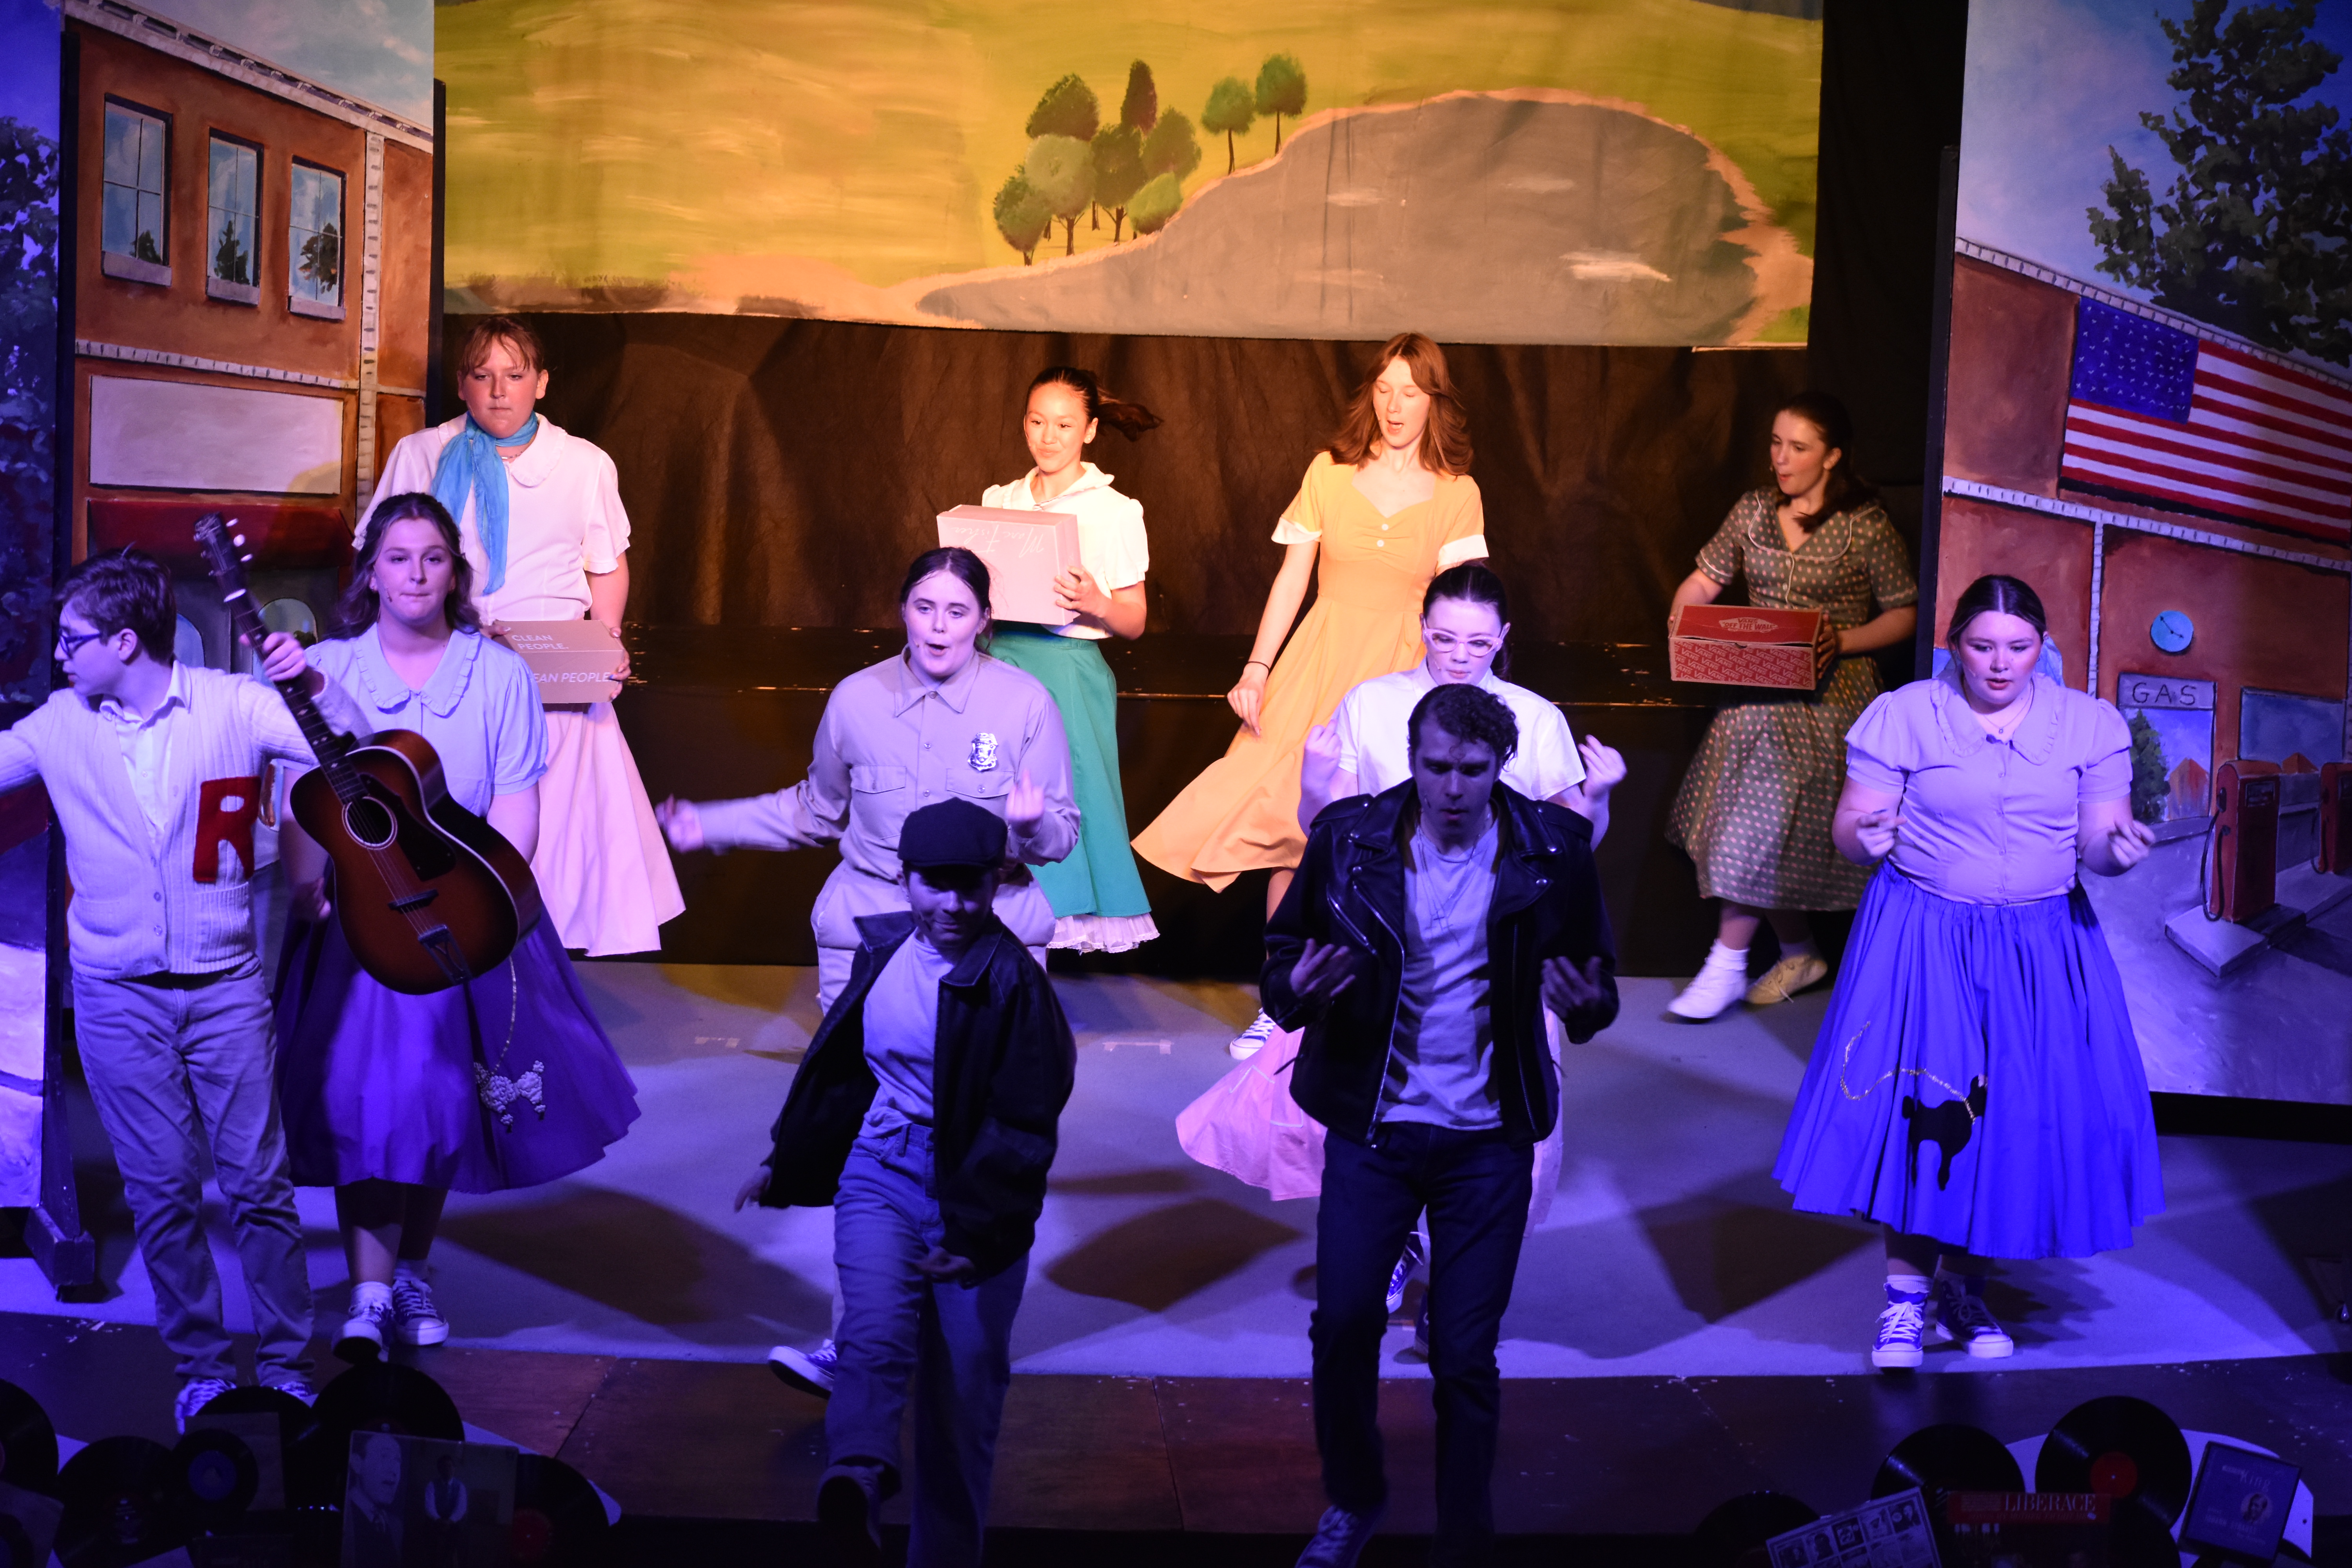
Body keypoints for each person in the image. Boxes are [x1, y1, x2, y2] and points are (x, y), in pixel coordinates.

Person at [657, 546, 1077, 1397]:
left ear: (984, 621)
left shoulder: (1024, 703)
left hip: (984, 936)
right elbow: (817, 810)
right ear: (901, 611)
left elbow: (1060, 835)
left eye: (957, 611)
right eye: (924, 607)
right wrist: (713, 823)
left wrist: (1032, 826)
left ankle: (961, 1344)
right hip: (872, 933)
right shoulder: (856, 699)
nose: (938, 627)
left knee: (974, 1136)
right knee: (871, 1132)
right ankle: (859, 1341)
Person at [1180, 565, 1628, 1337]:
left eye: (1478, 643)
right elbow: (1336, 834)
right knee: (1381, 1112)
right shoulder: (1373, 703)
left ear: (1504, 639)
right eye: (1445, 638)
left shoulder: (1535, 718)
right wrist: (1314, 789)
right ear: (1422, 628)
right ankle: (1392, 1249)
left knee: (1491, 1126)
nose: (1459, 655)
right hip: (1393, 949)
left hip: (1495, 950)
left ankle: (1456, 1279)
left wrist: (1603, 797)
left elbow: (1569, 846)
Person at [274, 493, 643, 1361]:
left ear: (455, 573)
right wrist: (304, 885)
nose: (415, 574)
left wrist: (492, 904)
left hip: (460, 912)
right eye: (397, 558)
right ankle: (368, 1290)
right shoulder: (326, 668)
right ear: (371, 572)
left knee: (442, 1102)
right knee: (367, 1103)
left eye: (433, 557)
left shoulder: (499, 673)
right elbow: (301, 797)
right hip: (360, 921)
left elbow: (517, 800)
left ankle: (409, 1271)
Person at [0, 548, 361, 1430]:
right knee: (162, 1191)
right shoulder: (58, 723)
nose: (60, 653)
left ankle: (285, 1366)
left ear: (125, 641)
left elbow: (352, 750)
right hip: (117, 996)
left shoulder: (234, 705)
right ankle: (201, 1365)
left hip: (225, 988)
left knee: (258, 1185)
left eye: (74, 638)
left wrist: (312, 679)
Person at [1263, 683, 1618, 1567]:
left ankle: (1464, 1537)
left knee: (1463, 1355)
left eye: (1472, 769)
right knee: (1344, 1325)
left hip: (1488, 1142)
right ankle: (1354, 1498)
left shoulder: (1554, 848)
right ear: (1412, 759)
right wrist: (1294, 990)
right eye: (1435, 767)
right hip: (1375, 1129)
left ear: (1501, 767)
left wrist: (1586, 1007)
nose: (1452, 787)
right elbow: (1283, 958)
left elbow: (1595, 977)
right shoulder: (1348, 839)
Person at [1773, 575, 2161, 1370]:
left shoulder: (2089, 724)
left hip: (2040, 946)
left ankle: (1964, 1290)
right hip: (1926, 935)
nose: (2001, 663)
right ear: (1955, 645)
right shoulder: (1906, 714)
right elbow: (1851, 827)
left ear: (2043, 646)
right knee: (1926, 1105)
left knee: (2009, 1113)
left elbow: (2098, 844)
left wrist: (2116, 855)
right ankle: (1904, 1302)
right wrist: (1862, 838)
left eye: (2019, 647)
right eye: (1983, 646)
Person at [732, 799, 1076, 1568]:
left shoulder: (1014, 985)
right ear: (905, 877)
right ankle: (857, 1477)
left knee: (964, 1397)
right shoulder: (882, 950)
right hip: (880, 1167)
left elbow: (1025, 1123)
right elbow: (842, 1071)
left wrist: (978, 1228)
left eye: (971, 886)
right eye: (934, 884)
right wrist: (788, 1159)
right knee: (871, 1335)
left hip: (972, 1193)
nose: (953, 904)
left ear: (995, 882)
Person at [1133, 332, 1487, 1056]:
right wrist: (1257, 668)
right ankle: (1283, 1003)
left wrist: (1467, 695)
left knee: (1398, 842)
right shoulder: (1329, 472)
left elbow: (1463, 605)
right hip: (1320, 665)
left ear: (1434, 400)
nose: (1395, 406)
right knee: (1289, 834)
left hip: (1404, 677)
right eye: (1384, 390)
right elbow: (1293, 578)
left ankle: (1387, 1010)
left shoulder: (1458, 493)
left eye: (1410, 392)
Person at [367, 314, 682, 956]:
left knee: (558, 825)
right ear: (462, 384)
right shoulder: (421, 454)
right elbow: (380, 556)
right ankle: (456, 940)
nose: (498, 391)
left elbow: (606, 563)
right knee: (457, 815)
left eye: (514, 376)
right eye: (482, 376)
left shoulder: (584, 464)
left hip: (553, 674)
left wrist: (607, 636)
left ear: (541, 383)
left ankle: (541, 963)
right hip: (449, 666)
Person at [1664, 391, 1918, 1019]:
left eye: (1798, 448)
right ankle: (1799, 951)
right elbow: (1704, 579)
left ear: (1832, 457)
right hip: (1756, 688)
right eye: (1776, 443)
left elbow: (1905, 613)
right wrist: (1683, 619)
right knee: (1755, 826)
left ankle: (1727, 963)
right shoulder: (1753, 511)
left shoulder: (1864, 525)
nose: (1780, 458)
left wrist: (1843, 640)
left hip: (1830, 698)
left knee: (1767, 824)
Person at [977, 367, 1161, 953]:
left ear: (1091, 430)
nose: (1048, 436)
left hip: (1069, 671)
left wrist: (1095, 602)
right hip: (997, 665)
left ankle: (1051, 934)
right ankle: (988, 934)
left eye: (1064, 425)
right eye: (1037, 422)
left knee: (1068, 795)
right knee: (992, 791)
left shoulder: (1114, 510)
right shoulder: (1000, 500)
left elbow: (1135, 620)